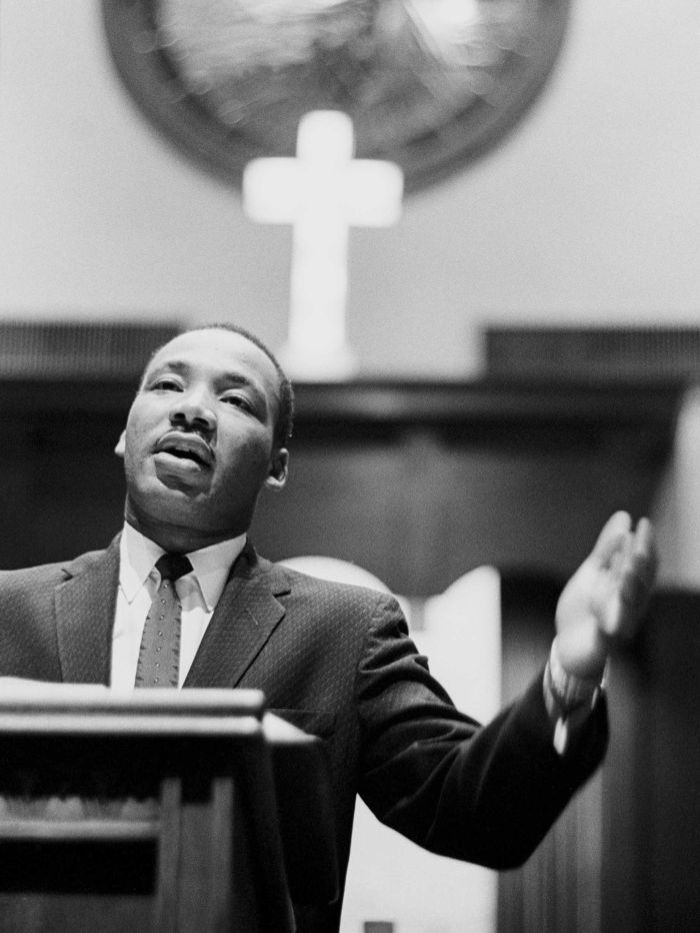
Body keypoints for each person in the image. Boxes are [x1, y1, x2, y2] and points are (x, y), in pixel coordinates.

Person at [0, 323, 656, 933]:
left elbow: (476, 813)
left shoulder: (344, 630)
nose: (193, 409)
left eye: (235, 399)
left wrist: (574, 669)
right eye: (168, 384)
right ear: (124, 431)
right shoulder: (9, 608)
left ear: (278, 465)